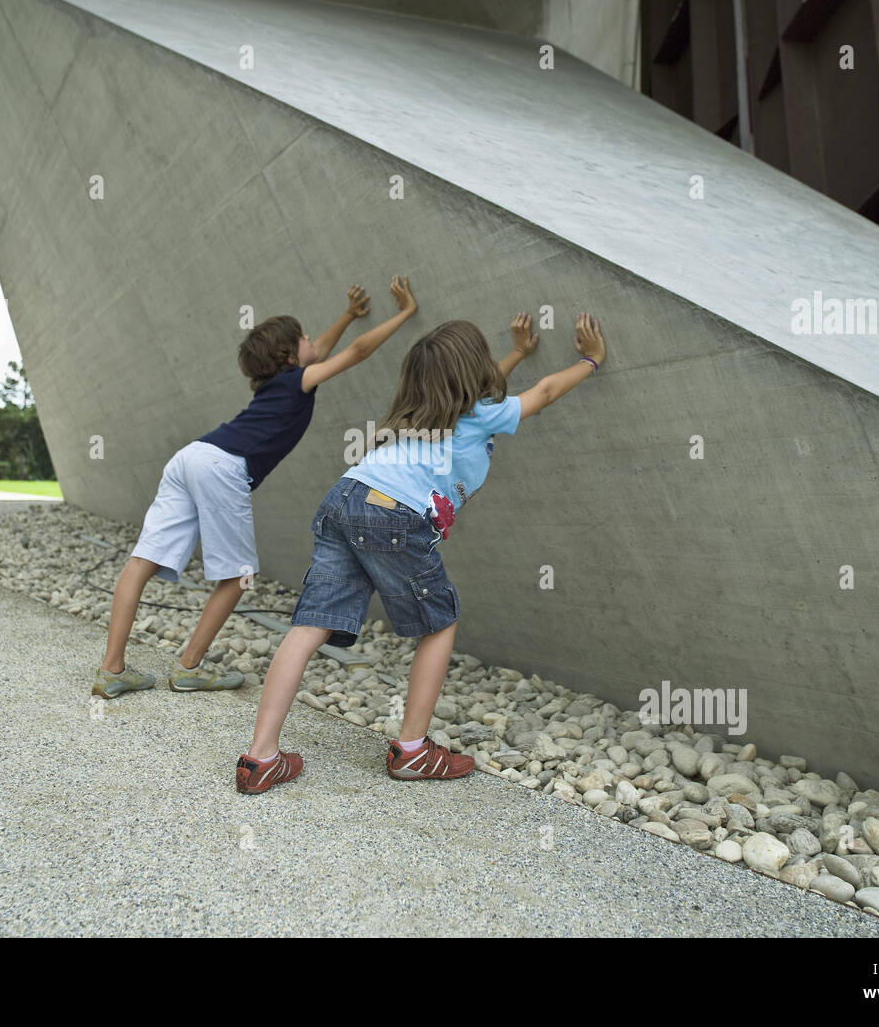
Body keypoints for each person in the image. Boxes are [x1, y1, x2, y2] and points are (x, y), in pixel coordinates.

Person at [237, 311, 606, 793]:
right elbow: (545, 392)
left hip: (345, 497)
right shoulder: (476, 416)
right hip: (395, 515)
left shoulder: (412, 417)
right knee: (440, 621)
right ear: (473, 373)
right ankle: (411, 750)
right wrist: (591, 361)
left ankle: (260, 756)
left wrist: (516, 353)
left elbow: (472, 392)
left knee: (309, 625)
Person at [93, 277, 419, 699]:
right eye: (302, 336)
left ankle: (112, 669)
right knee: (239, 576)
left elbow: (316, 349)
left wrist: (348, 316)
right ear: (288, 356)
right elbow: (353, 352)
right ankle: (189, 666)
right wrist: (405, 313)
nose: (311, 340)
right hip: (223, 467)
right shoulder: (297, 382)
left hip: (191, 456)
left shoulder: (278, 382)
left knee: (142, 561)